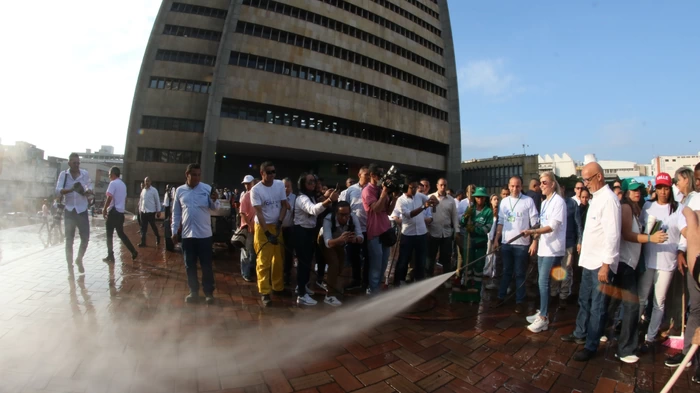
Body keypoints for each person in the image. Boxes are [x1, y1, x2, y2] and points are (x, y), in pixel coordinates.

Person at [561, 162, 621, 362]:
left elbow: (612, 235)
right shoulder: (596, 199)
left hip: (600, 265)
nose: (585, 184)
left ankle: (591, 345)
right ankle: (580, 333)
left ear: (599, 177)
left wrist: (606, 265)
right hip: (589, 261)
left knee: (597, 306)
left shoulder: (609, 200)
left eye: (587, 180)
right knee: (584, 300)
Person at [614, 178, 668, 364]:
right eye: (634, 190)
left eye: (639, 189)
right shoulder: (626, 208)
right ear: (627, 192)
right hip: (625, 263)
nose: (637, 192)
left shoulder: (637, 209)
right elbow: (627, 234)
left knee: (624, 305)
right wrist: (650, 238)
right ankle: (623, 349)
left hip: (632, 263)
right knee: (632, 306)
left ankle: (622, 343)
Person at [638, 172, 689, 354]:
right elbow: (641, 229)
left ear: (670, 189)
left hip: (667, 262)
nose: (663, 192)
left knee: (659, 301)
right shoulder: (648, 206)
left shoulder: (679, 209)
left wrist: (681, 251)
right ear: (656, 189)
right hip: (648, 261)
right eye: (660, 188)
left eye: (666, 188)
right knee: (642, 297)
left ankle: (650, 337)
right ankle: (635, 329)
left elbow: (685, 233)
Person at [523, 172, 567, 333]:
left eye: (545, 183)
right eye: (540, 183)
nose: (541, 185)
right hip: (544, 248)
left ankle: (544, 318)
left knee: (543, 282)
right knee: (542, 282)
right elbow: (542, 224)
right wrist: (535, 238)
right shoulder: (545, 202)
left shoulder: (558, 202)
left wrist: (531, 232)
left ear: (553, 184)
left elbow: (552, 226)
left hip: (553, 249)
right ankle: (542, 311)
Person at [171, 163, 220, 304]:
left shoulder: (207, 189)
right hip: (187, 235)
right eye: (194, 175)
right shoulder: (180, 191)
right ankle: (193, 291)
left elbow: (215, 209)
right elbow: (176, 212)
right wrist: (174, 230)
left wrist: (215, 200)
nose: (197, 178)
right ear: (187, 174)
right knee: (189, 265)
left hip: (204, 235)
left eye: (199, 175)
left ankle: (209, 292)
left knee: (206, 265)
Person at [493, 176, 539, 314]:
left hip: (522, 244)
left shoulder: (528, 201)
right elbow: (500, 221)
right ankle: (501, 297)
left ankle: (520, 301)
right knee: (506, 271)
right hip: (506, 243)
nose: (514, 189)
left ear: (522, 186)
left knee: (520, 273)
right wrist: (496, 238)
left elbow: (535, 223)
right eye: (512, 186)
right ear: (509, 186)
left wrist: (534, 241)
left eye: (517, 186)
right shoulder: (504, 202)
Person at [294, 173, 337, 306]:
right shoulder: (302, 198)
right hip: (302, 231)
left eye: (314, 181)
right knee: (303, 263)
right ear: (303, 184)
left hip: (309, 231)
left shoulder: (310, 197)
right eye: (310, 182)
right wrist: (329, 200)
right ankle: (301, 294)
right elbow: (313, 210)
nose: (313, 184)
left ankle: (302, 286)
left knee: (307, 262)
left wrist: (325, 197)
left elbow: (318, 205)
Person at [251, 161, 289, 307]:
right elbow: (259, 213)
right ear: (262, 173)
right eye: (269, 172)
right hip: (263, 227)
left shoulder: (279, 184)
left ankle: (278, 287)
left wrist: (279, 222)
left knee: (278, 258)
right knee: (263, 260)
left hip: (276, 225)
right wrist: (267, 233)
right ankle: (265, 291)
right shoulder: (256, 190)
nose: (272, 175)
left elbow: (284, 205)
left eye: (274, 171)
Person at [319, 201, 363, 306]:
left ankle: (332, 285)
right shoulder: (328, 219)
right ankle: (329, 295)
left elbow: (361, 236)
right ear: (336, 213)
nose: (345, 217)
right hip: (328, 241)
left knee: (341, 265)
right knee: (333, 264)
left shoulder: (353, 218)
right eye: (341, 215)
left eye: (347, 214)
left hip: (341, 242)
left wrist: (355, 239)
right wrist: (340, 239)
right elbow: (328, 242)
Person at [55, 153, 93, 273]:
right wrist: (71, 189)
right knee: (69, 239)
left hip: (82, 210)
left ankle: (79, 259)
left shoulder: (84, 174)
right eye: (74, 163)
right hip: (70, 211)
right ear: (69, 163)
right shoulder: (64, 175)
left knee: (85, 238)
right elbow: (57, 191)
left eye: (78, 163)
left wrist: (87, 191)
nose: (76, 165)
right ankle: (69, 265)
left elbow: (89, 186)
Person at [394, 178, 434, 286]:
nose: (415, 190)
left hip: (422, 233)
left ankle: (419, 281)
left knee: (421, 260)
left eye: (416, 187)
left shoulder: (420, 196)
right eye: (412, 188)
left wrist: (433, 199)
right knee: (404, 259)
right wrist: (423, 207)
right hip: (408, 234)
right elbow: (409, 215)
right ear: (406, 187)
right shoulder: (400, 200)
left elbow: (431, 200)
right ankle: (399, 281)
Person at [363, 164, 393, 295]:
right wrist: (384, 193)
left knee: (384, 262)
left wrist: (395, 196)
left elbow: (388, 210)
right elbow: (376, 208)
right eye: (379, 174)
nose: (382, 177)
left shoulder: (382, 189)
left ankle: (378, 288)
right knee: (376, 263)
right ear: (372, 175)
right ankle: (373, 290)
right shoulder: (367, 190)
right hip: (374, 231)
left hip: (385, 229)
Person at [460, 187, 493, 303]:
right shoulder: (470, 209)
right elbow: (462, 223)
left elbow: (487, 229)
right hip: (468, 242)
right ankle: (467, 288)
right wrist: (465, 217)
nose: (479, 199)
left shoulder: (488, 212)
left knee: (478, 267)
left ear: (485, 198)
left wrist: (474, 229)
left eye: (482, 197)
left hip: (480, 243)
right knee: (467, 265)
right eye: (477, 197)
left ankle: (477, 291)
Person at [340, 166, 370, 291]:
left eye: (370, 175)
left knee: (369, 257)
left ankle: (367, 282)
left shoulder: (373, 190)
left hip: (369, 229)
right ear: (359, 175)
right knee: (354, 256)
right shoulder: (350, 190)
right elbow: (342, 207)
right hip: (353, 229)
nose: (368, 177)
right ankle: (356, 280)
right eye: (366, 174)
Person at [550, 185, 580, 308]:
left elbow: (578, 224)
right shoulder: (550, 203)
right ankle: (553, 293)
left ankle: (563, 295)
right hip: (554, 243)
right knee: (554, 270)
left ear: (563, 188)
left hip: (568, 242)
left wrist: (579, 241)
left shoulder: (572, 204)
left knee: (566, 269)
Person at [102, 166, 138, 264]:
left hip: (113, 212)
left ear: (113, 174)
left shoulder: (113, 183)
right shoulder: (123, 185)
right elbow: (125, 199)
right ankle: (133, 251)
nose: (109, 177)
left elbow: (109, 198)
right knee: (121, 234)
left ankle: (110, 255)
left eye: (109, 174)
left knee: (109, 235)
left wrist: (104, 209)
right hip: (120, 213)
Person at [427, 178, 459, 277]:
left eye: (445, 185)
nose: (443, 187)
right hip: (433, 232)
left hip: (446, 233)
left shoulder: (451, 200)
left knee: (446, 257)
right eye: (441, 185)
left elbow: (454, 216)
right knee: (430, 257)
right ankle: (428, 278)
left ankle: (446, 279)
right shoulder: (430, 198)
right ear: (437, 186)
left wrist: (457, 230)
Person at [239, 175, 257, 282]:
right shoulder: (246, 196)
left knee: (253, 251)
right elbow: (242, 213)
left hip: (257, 227)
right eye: (246, 184)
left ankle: (251, 269)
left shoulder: (257, 195)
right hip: (248, 227)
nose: (247, 186)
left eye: (248, 183)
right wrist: (249, 225)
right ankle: (245, 272)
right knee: (246, 251)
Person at [138, 177, 161, 247]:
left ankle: (157, 236)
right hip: (143, 211)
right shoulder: (143, 191)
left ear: (150, 182)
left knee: (153, 226)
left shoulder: (154, 190)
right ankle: (143, 242)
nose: (147, 182)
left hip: (151, 212)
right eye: (145, 181)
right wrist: (140, 210)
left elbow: (157, 201)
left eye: (148, 181)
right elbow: (141, 201)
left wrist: (158, 211)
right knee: (143, 228)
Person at [483, 194, 500, 290]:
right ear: (491, 201)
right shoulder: (488, 211)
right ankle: (487, 271)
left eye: (498, 199)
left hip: (496, 236)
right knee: (488, 253)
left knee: (495, 254)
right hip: (489, 235)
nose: (496, 201)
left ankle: (494, 272)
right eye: (494, 199)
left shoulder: (500, 212)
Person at [282, 178, 296, 286]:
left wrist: (287, 204)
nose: (286, 188)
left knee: (288, 253)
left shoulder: (295, 198)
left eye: (288, 186)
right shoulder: (277, 197)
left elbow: (294, 211)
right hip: (278, 228)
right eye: (284, 186)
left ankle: (287, 274)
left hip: (289, 229)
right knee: (278, 253)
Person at [575, 188, 591, 252]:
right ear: (580, 198)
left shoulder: (591, 209)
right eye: (583, 197)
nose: (584, 199)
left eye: (586, 197)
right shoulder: (577, 209)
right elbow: (578, 226)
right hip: (578, 238)